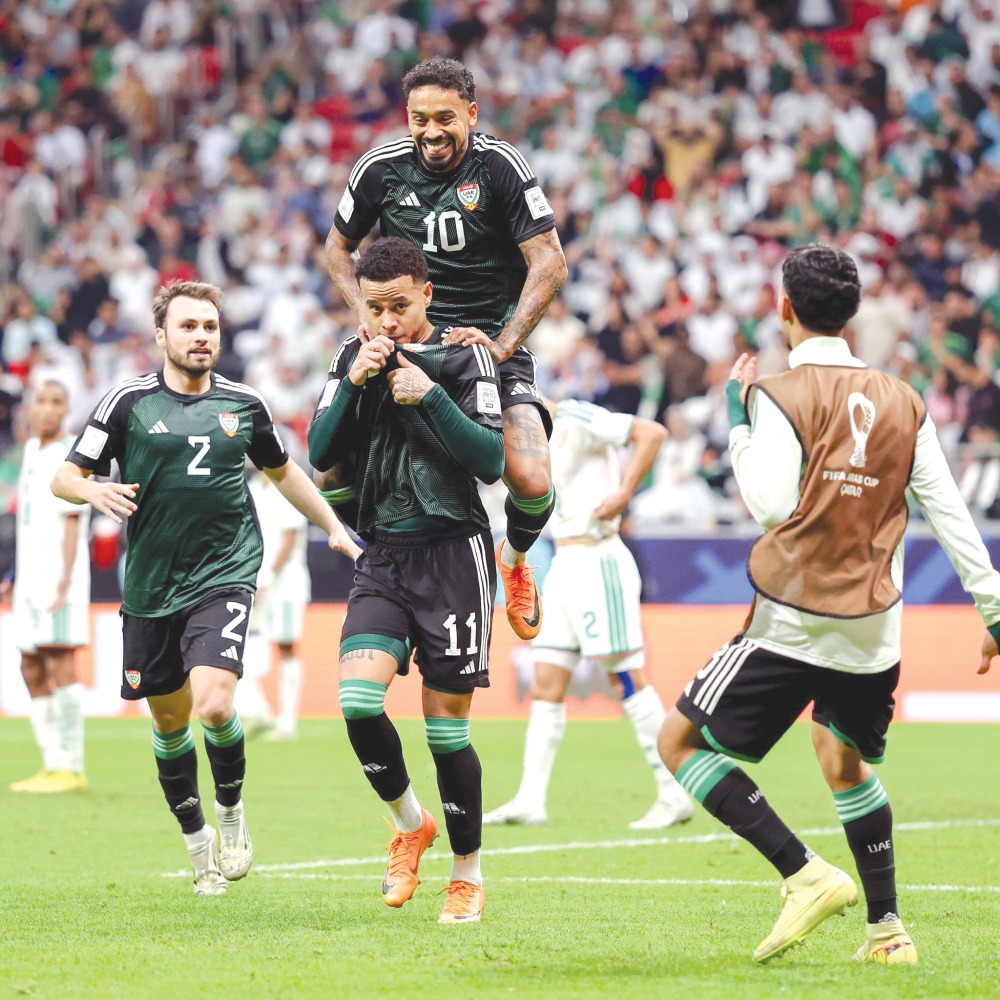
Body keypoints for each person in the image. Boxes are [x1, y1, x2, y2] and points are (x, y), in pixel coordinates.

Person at [657, 244, 1000, 965]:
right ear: (850, 314)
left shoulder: (782, 393)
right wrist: (994, 610)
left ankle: (806, 874)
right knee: (840, 757)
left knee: (678, 743)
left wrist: (742, 419)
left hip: (794, 620)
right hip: (874, 631)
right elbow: (948, 509)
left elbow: (769, 503)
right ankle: (887, 933)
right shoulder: (907, 401)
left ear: (784, 309)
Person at [51, 280, 359, 896]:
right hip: (148, 586)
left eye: (210, 327)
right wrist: (93, 490)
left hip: (224, 571)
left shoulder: (244, 404)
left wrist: (333, 525)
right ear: (161, 335)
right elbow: (65, 476)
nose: (201, 337)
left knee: (215, 703)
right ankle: (198, 849)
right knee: (168, 726)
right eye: (189, 327)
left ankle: (231, 811)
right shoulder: (126, 403)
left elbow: (283, 473)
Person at [326, 56, 568, 643]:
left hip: (484, 345)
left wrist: (504, 342)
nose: (431, 132)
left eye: (444, 118)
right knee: (330, 462)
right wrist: (366, 316)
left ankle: (512, 558)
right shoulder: (379, 170)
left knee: (532, 481)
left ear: (472, 114)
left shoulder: (501, 167)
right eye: (418, 119)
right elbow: (338, 250)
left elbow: (551, 262)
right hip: (407, 340)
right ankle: (384, 556)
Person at [308, 237, 504, 924]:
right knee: (359, 703)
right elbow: (320, 452)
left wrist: (430, 398)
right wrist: (358, 380)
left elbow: (490, 459)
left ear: (425, 292)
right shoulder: (351, 354)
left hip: (455, 555)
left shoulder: (464, 356)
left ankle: (467, 875)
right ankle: (410, 823)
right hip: (385, 555)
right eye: (374, 307)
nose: (387, 321)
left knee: (447, 733)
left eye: (398, 305)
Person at [483, 398, 693, 830]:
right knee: (546, 682)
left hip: (600, 558)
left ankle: (675, 794)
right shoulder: (522, 438)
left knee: (626, 676)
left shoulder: (575, 417)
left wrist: (623, 493)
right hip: (563, 564)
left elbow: (650, 433)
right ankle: (530, 799)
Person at [4, 380, 90, 794]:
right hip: (30, 580)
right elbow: (30, 524)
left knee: (60, 664)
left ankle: (73, 767)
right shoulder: (33, 452)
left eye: (57, 401)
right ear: (30, 407)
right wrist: (15, 576)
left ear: (67, 408)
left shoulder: (69, 456)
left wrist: (65, 581)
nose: (48, 409)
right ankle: (52, 762)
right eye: (41, 401)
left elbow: (73, 524)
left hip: (60, 578)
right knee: (30, 665)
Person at [234, 468, 311, 741]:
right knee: (234, 642)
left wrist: (268, 575)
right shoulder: (252, 486)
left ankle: (287, 722)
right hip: (256, 579)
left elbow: (290, 538)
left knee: (287, 646)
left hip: (286, 581)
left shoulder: (288, 482)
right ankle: (258, 710)